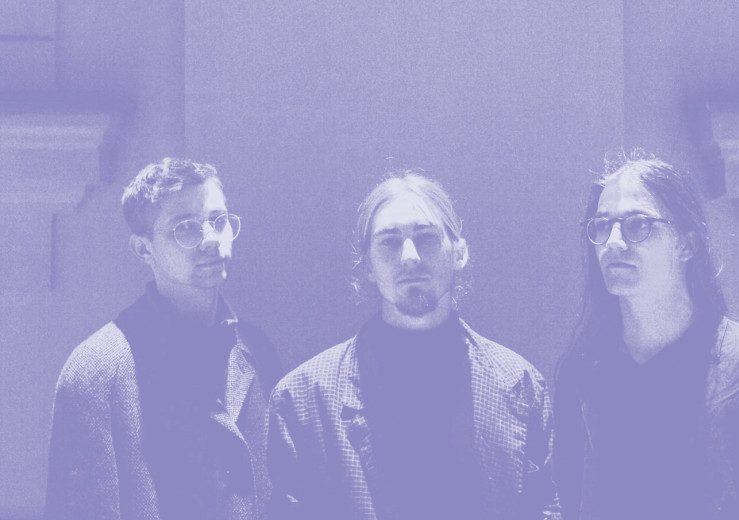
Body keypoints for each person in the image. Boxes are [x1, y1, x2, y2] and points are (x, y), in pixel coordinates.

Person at [267, 171, 562, 520]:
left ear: (460, 253)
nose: (409, 256)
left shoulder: (520, 385)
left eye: (426, 238)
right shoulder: (303, 399)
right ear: (368, 265)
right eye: (390, 242)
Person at [553, 150, 739, 520]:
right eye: (602, 226)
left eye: (638, 225)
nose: (613, 242)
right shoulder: (582, 372)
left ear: (687, 244)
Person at [45, 158, 282, 520]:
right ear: (144, 249)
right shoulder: (97, 369)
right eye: (185, 228)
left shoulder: (256, 350)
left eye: (218, 221)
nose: (211, 239)